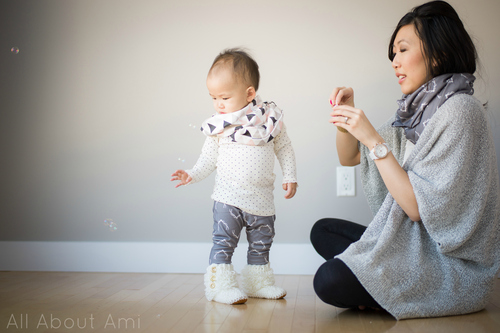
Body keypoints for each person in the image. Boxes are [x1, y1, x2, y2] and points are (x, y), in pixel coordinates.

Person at [311, 0, 500, 320]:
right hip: (415, 247)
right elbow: (351, 157)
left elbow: (415, 208)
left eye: (402, 50)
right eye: (393, 54)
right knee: (323, 231)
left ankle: (379, 288)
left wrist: (372, 137)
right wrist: (347, 123)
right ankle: (378, 287)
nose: (395, 61)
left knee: (328, 280)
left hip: (451, 265)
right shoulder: (413, 116)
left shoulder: (461, 111)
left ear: (438, 52)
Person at [171, 48, 298, 305]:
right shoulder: (219, 127)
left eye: (225, 97)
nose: (218, 104)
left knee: (261, 244)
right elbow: (208, 160)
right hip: (228, 198)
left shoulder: (270, 121)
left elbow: (284, 148)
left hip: (262, 200)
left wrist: (291, 175)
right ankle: (219, 287)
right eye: (213, 97)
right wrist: (191, 175)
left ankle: (258, 283)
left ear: (249, 93)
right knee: (224, 243)